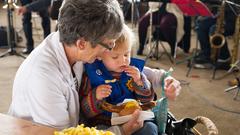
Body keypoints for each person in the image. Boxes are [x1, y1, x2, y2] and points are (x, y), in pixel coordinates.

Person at [8, 0, 181, 134]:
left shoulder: (73, 46)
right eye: (109, 46)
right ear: (82, 43)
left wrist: (166, 79)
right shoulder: (44, 79)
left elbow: (144, 73)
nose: (108, 52)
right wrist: (121, 131)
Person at [79, 24, 181, 134]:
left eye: (126, 54)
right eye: (115, 57)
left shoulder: (134, 71)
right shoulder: (91, 74)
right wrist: (95, 96)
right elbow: (84, 112)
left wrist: (140, 82)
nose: (123, 60)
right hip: (105, 122)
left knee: (151, 128)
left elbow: (147, 101)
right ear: (99, 55)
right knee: (97, 131)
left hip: (136, 119)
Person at [194, 0, 240, 69]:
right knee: (201, 26)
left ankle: (224, 58)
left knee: (214, 29)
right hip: (218, 15)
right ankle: (206, 55)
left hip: (232, 18)